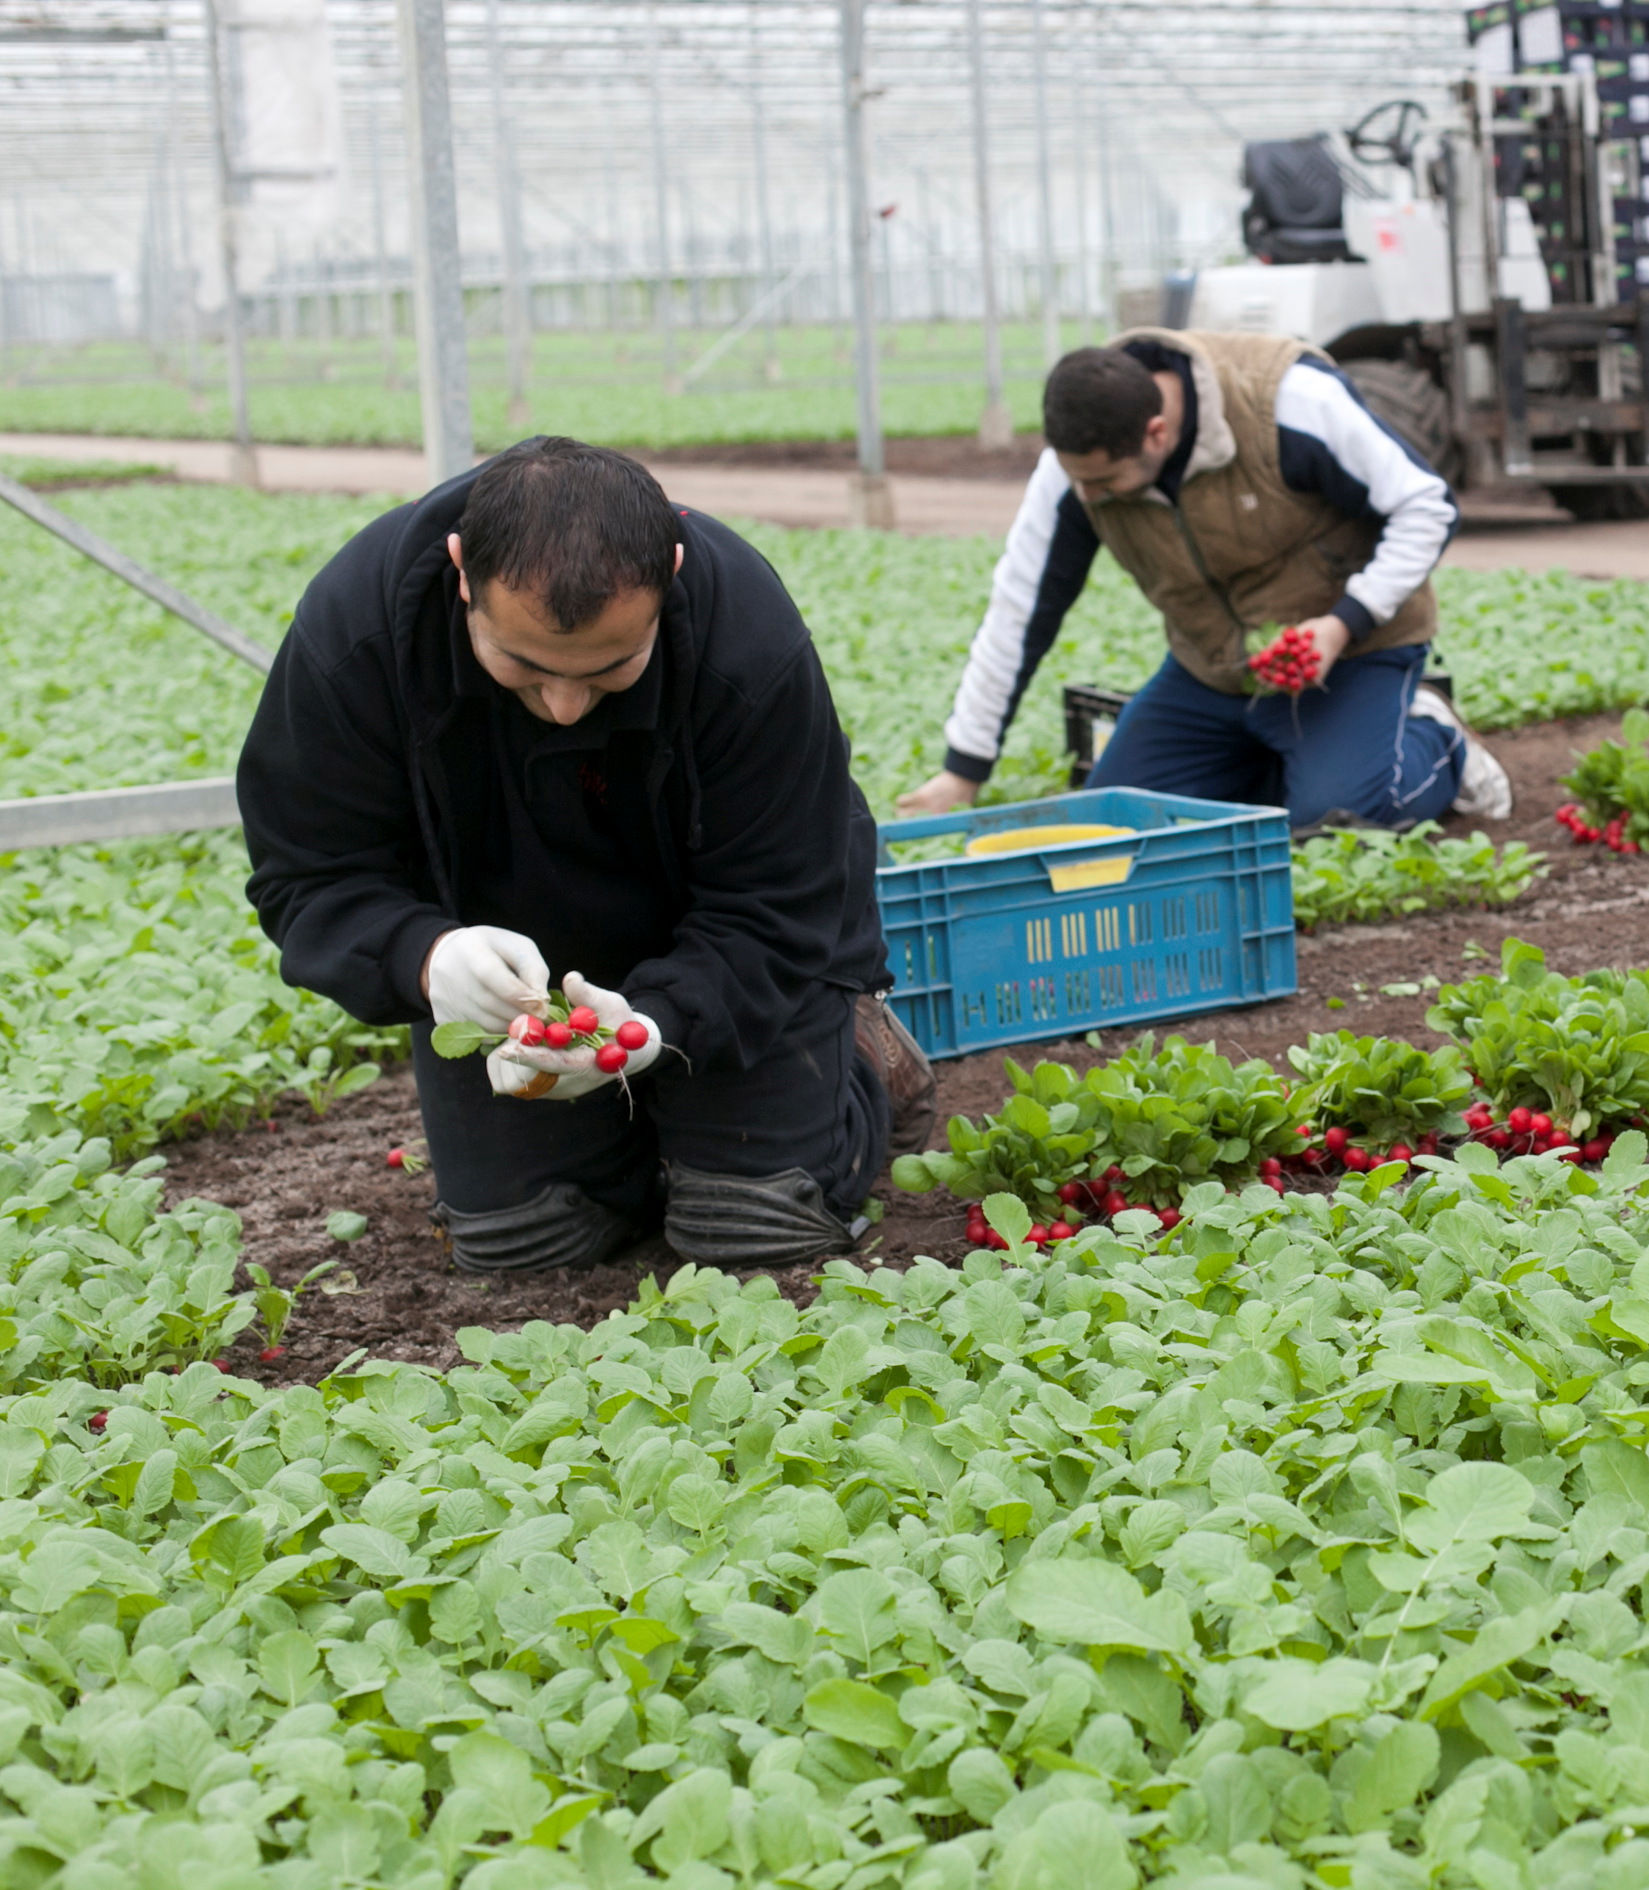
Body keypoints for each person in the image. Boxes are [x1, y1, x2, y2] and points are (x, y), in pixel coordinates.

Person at [238, 437, 936, 1274]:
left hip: (732, 950)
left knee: (757, 1223)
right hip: (513, 979)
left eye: (612, 670)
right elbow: (307, 873)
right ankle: (634, 1139)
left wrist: (655, 1026)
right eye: (523, 667)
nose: (566, 707)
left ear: (670, 576)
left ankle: (861, 1060)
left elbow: (783, 898)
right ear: (462, 573)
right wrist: (424, 958)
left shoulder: (745, 639)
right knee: (525, 1238)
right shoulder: (357, 635)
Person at [895, 328, 1513, 824]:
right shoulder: (1077, 470)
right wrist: (964, 769)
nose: (1089, 495)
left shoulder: (1287, 401)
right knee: (1112, 829)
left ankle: (1438, 744)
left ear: (1156, 433)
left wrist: (1342, 624)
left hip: (1351, 655)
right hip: (1213, 674)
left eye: (1103, 483)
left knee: (1340, 819)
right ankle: (1296, 762)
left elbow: (1425, 506)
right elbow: (1019, 609)